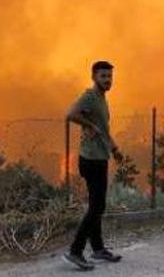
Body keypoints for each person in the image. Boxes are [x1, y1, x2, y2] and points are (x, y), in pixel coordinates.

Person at [63, 61, 123, 271]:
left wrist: (115, 149)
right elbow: (70, 114)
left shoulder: (102, 99)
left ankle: (97, 249)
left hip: (101, 157)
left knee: (96, 206)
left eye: (109, 76)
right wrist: (89, 125)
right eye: (103, 76)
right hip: (90, 160)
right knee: (98, 206)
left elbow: (104, 130)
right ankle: (75, 251)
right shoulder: (89, 96)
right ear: (94, 77)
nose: (107, 80)